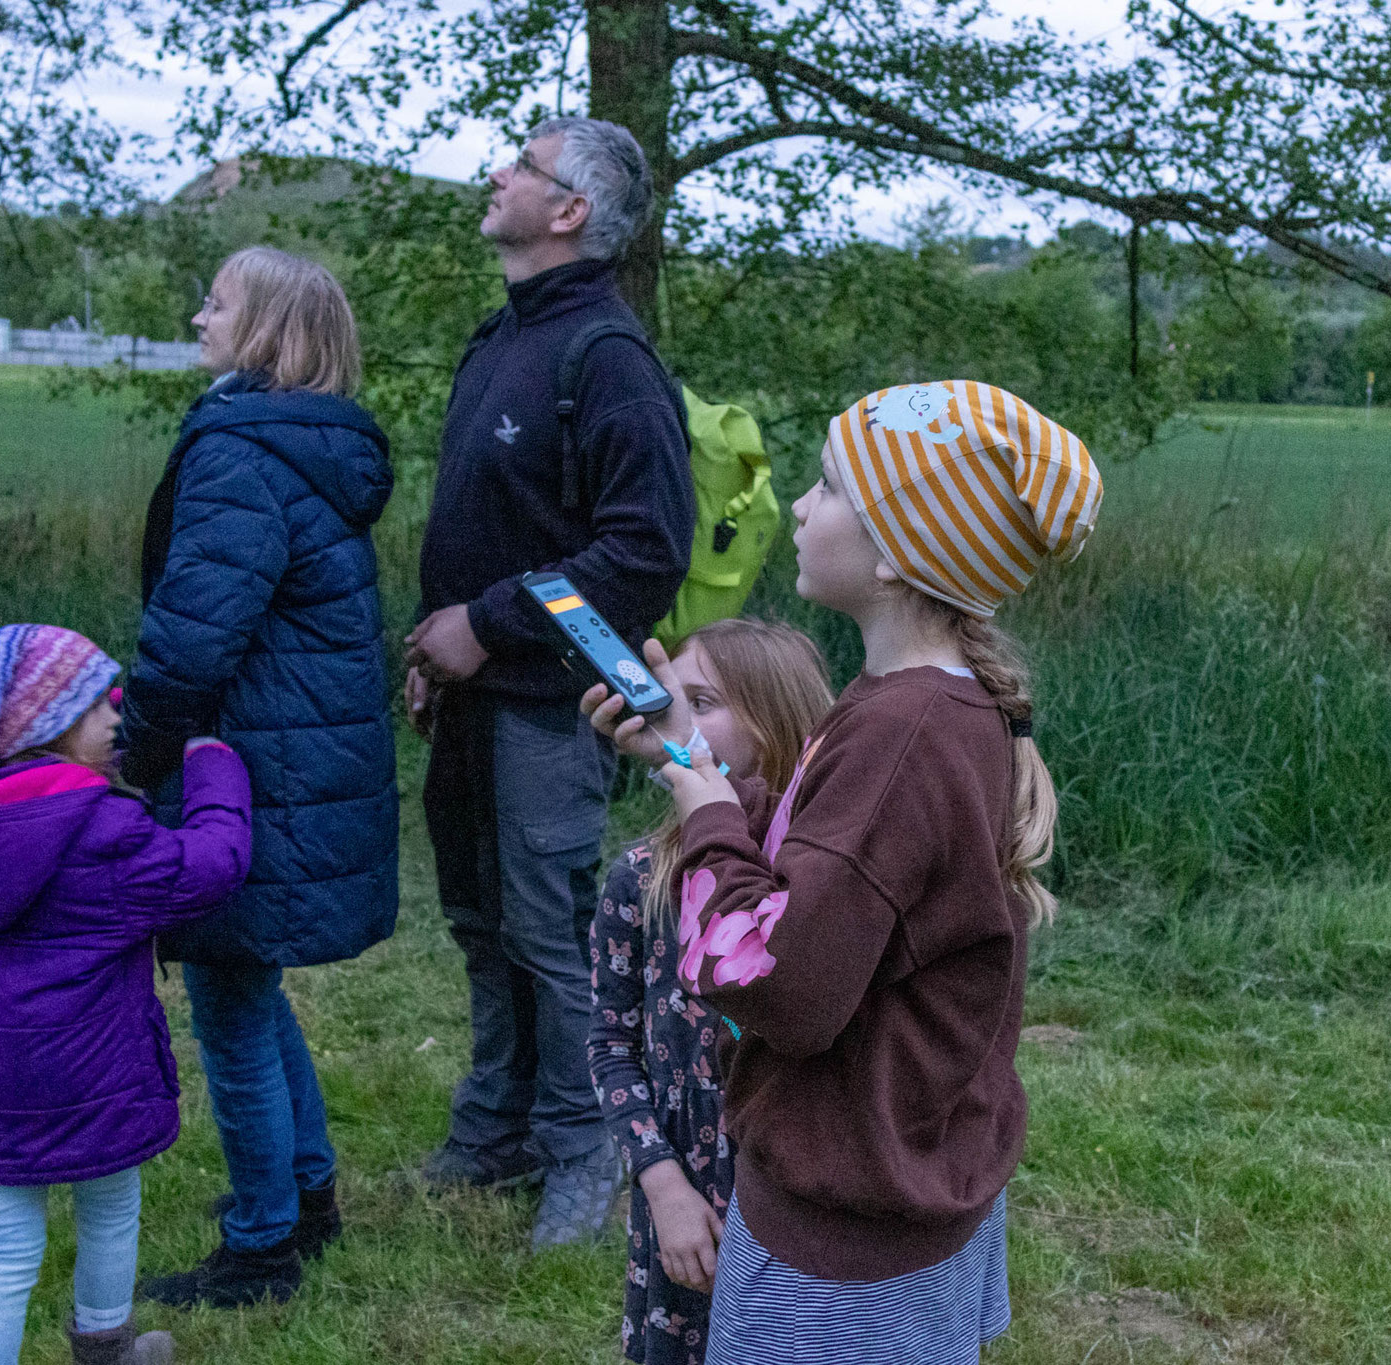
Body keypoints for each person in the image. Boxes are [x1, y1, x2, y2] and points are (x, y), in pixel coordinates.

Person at [586, 380, 1102, 1364]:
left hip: (843, 1253)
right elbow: (821, 884)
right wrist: (691, 763)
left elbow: (772, 983)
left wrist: (697, 803)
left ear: (901, 549)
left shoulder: (899, 737)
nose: (798, 507)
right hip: (897, 1193)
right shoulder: (914, 708)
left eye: (824, 488)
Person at [407, 116, 695, 1249]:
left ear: (568, 211)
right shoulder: (502, 336)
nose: (496, 175)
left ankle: (589, 1149)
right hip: (473, 696)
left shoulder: (608, 360)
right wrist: (437, 652)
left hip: (546, 708)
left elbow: (642, 554)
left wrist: (485, 627)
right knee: (480, 919)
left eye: (520, 167)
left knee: (548, 929)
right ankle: (497, 1128)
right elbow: (484, 524)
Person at [122, 247, 399, 1309]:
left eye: (218, 303)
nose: (199, 315)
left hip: (252, 768)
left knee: (227, 996)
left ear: (269, 331)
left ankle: (261, 1247)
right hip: (291, 761)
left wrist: (132, 754)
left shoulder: (239, 453)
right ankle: (306, 1191)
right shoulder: (307, 447)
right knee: (246, 981)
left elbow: (192, 641)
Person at [0, 624, 255, 1365]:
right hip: (95, 1072)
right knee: (109, 1202)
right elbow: (211, 865)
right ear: (48, 721)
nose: (117, 717)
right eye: (100, 704)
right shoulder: (104, 829)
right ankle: (105, 1347)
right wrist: (214, 767)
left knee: (1, 1247)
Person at [587, 619, 833, 1365]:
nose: (675, 719)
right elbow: (608, 1042)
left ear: (777, 718)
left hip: (793, 1196)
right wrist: (660, 1184)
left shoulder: (817, 884)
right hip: (685, 1196)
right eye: (672, 697)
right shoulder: (643, 878)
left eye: (703, 700)